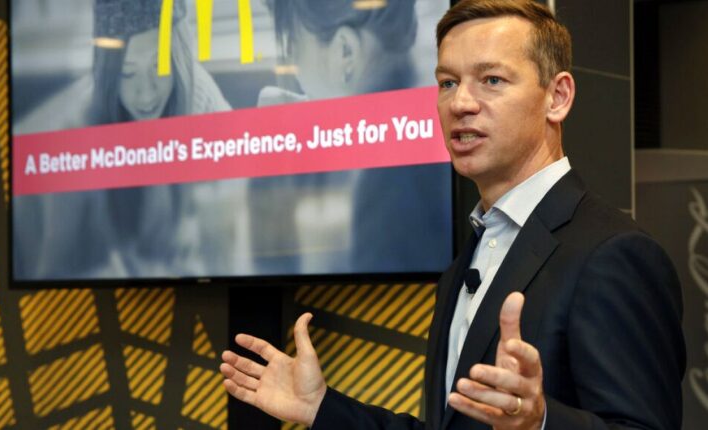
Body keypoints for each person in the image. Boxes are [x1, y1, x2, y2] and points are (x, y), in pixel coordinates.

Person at [220, 1, 686, 429]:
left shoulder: (614, 255)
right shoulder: (467, 260)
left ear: (558, 97)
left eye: (492, 80)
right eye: (447, 82)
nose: (460, 103)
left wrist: (541, 422)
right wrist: (320, 407)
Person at [13, 0, 231, 279]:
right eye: (127, 73)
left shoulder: (201, 100)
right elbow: (52, 272)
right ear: (108, 74)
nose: (146, 94)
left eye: (160, 65)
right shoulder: (78, 141)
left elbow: (231, 229)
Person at [248, 0, 451, 275]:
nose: (294, 71)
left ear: (345, 52)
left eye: (293, 48)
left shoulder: (392, 184)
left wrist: (268, 169)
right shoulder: (420, 126)